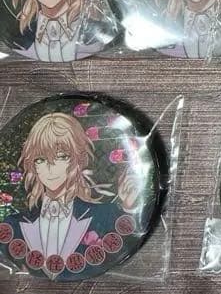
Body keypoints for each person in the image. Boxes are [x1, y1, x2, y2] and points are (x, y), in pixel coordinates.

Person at [4, 112, 140, 279]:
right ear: (32, 165)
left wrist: (129, 207)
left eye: (61, 157)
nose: (50, 168)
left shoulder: (106, 215)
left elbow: (128, 250)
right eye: (41, 159)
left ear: (79, 159)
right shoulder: (13, 225)